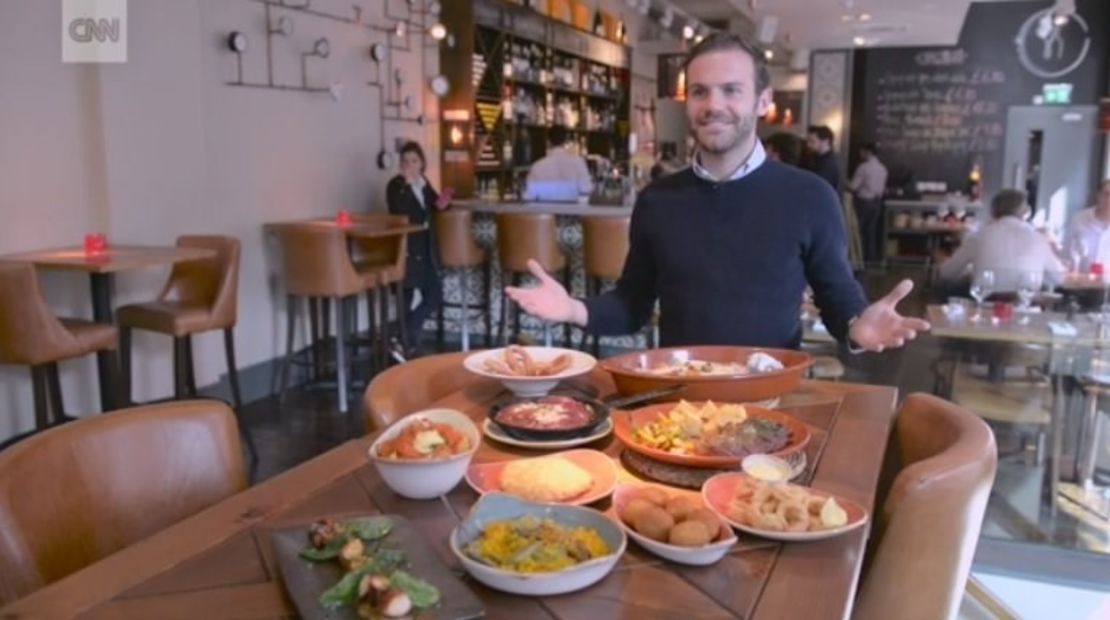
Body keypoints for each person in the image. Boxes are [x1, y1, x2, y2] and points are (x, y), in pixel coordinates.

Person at [504, 33, 928, 352]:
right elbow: (631, 305)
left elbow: (838, 296)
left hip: (769, 406)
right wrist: (573, 309)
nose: (712, 105)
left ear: (763, 100)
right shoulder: (657, 200)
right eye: (700, 92)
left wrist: (858, 325)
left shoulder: (810, 196)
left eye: (731, 90)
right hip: (677, 406)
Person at [386, 141, 448, 354]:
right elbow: (398, 210)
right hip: (408, 248)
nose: (409, 166)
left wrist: (444, 202)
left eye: (414, 161)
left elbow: (433, 205)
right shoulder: (396, 186)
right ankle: (406, 342)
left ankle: (400, 336)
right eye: (405, 162)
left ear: (422, 163)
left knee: (434, 294)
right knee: (407, 296)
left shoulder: (423, 183)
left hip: (426, 247)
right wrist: (405, 183)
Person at [938, 189, 1064, 292]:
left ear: (993, 211)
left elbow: (947, 273)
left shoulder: (979, 236)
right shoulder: (1039, 238)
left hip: (983, 307)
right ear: (1026, 212)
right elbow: (1059, 277)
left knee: (946, 288)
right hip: (1026, 309)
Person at [522, 126, 592, 202]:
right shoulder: (578, 163)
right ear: (566, 141)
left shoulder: (537, 166)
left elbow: (528, 196)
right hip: (573, 212)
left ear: (548, 142)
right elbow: (586, 189)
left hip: (544, 212)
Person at [848, 143, 889, 265]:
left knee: (858, 231)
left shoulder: (863, 167)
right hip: (877, 202)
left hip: (863, 202)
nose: (860, 154)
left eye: (862, 152)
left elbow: (853, 186)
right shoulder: (883, 168)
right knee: (871, 232)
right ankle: (871, 260)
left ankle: (858, 259)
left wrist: (845, 182)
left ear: (868, 152)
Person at [1063, 179, 1110, 269]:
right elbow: (1067, 253)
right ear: (1098, 195)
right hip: (1081, 279)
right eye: (1106, 194)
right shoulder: (1079, 219)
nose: (1108, 200)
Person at [805, 125, 843, 192]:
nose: (808, 144)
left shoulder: (828, 163)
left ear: (825, 141)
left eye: (812, 141)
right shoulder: (817, 157)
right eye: (808, 141)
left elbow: (816, 187)